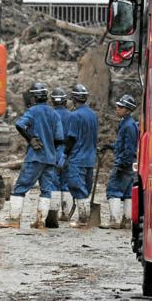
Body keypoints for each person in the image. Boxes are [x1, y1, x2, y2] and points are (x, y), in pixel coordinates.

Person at [0, 82, 63, 229]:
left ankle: (14, 220)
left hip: (35, 157)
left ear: (33, 97)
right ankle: (40, 221)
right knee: (46, 190)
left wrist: (30, 139)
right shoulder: (54, 113)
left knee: (20, 188)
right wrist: (50, 148)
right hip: (50, 159)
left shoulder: (33, 111)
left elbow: (20, 125)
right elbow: (59, 138)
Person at [63, 83, 99, 228]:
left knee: (77, 187)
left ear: (73, 99)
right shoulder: (93, 115)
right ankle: (84, 217)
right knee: (85, 187)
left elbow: (71, 138)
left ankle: (83, 220)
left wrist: (65, 154)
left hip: (77, 158)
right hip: (90, 159)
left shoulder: (74, 115)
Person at [103, 94, 139, 229]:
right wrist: (109, 146)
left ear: (128, 110)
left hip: (125, 163)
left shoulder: (128, 126)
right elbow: (122, 145)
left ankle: (115, 220)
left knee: (113, 189)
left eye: (120, 107)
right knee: (127, 193)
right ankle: (127, 220)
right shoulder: (127, 123)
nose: (117, 108)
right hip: (130, 163)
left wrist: (121, 164)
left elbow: (129, 148)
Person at [49, 87, 73, 224]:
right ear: (65, 101)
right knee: (65, 183)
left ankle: (54, 214)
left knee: (53, 182)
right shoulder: (71, 115)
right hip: (67, 151)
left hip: (53, 150)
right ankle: (66, 214)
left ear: (52, 100)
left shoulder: (50, 114)